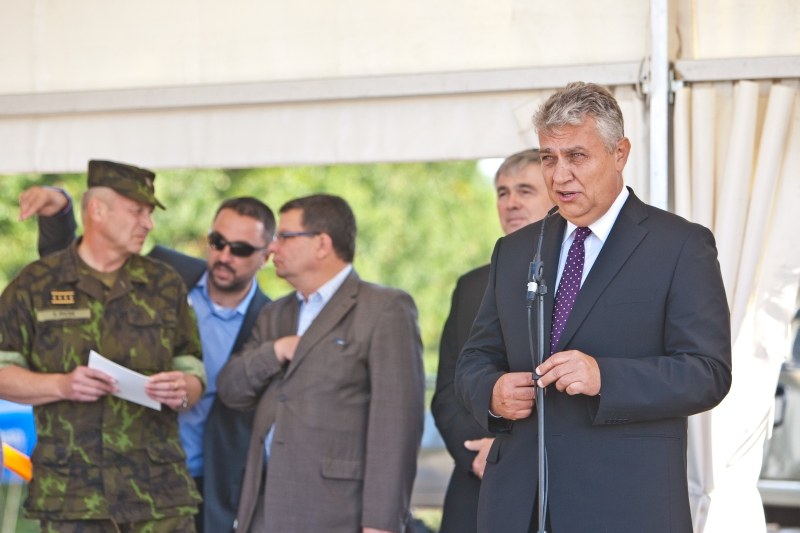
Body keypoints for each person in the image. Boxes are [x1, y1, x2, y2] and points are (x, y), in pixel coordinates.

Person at [455, 82, 733, 533]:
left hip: (624, 506)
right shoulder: (515, 250)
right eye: (549, 157)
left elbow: (707, 373)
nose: (559, 175)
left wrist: (605, 376)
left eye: (577, 156)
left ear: (620, 153)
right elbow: (475, 359)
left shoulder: (680, 245)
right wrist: (491, 391)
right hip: (517, 507)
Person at [21, 186, 276, 533]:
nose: (224, 256)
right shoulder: (163, 269)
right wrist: (60, 212)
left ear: (267, 255)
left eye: (241, 249)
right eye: (218, 241)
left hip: (204, 487)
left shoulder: (272, 321)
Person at [0, 160, 206, 532]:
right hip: (73, 497)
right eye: (137, 212)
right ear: (97, 211)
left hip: (158, 497)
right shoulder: (35, 284)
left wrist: (182, 388)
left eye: (149, 213)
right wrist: (60, 385)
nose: (148, 223)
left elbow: (192, 367)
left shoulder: (164, 284)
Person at [216, 194, 425, 533]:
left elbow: (397, 424)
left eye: (284, 236)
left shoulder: (384, 308)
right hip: (264, 511)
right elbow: (231, 389)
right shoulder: (275, 314)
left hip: (337, 513)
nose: (272, 248)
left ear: (322, 244)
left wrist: (381, 524)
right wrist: (276, 351)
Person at [431, 148, 554, 533]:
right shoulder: (470, 286)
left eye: (524, 190)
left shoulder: (579, 278)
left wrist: (507, 452)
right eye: (502, 192)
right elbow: (449, 390)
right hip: (476, 483)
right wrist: (478, 453)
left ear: (556, 194)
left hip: (549, 486)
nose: (511, 202)